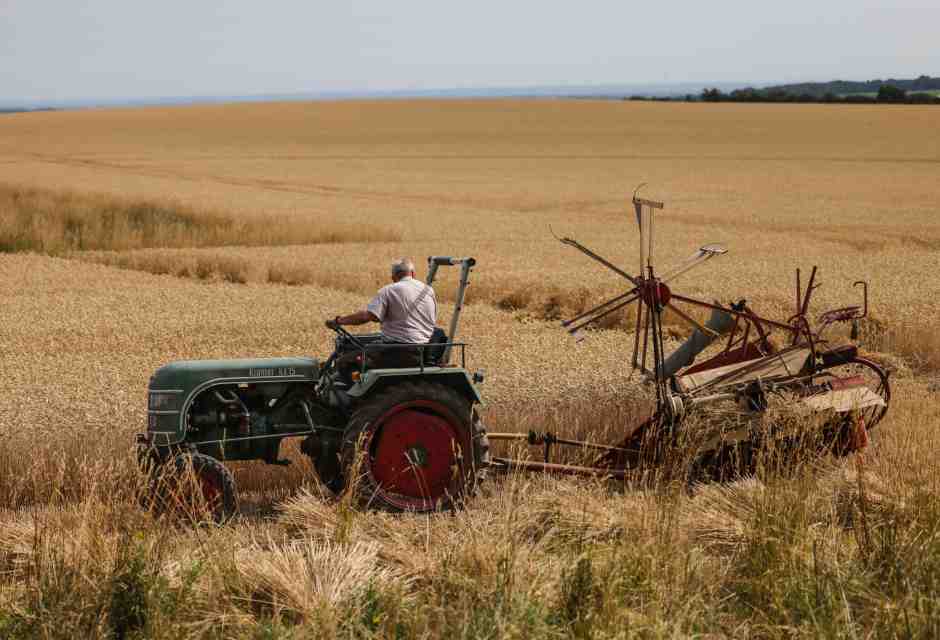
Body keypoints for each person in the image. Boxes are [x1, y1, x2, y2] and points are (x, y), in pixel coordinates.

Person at [326, 258, 437, 370]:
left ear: (393, 277)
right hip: (424, 348)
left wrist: (339, 321)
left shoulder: (389, 291)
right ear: (413, 273)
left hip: (398, 351)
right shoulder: (428, 290)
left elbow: (368, 316)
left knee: (344, 362)